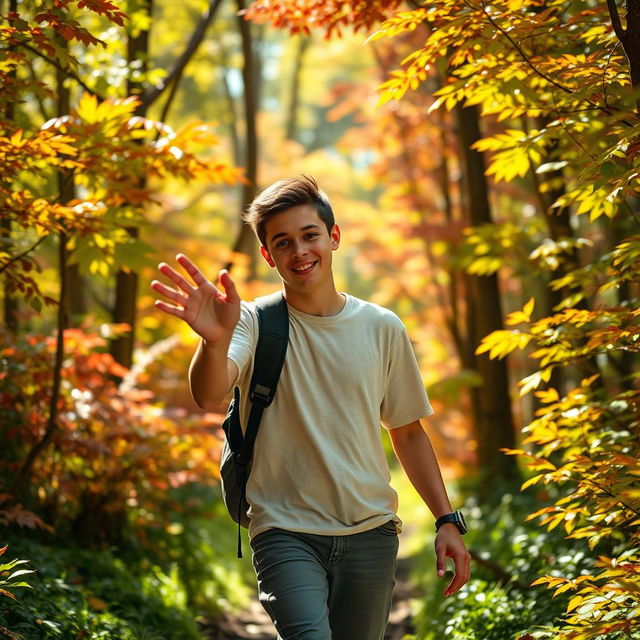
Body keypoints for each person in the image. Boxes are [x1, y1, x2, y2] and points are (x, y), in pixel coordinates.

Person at [151, 176, 470, 640]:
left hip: (371, 533)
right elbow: (208, 392)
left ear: (333, 236)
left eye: (309, 235)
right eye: (283, 242)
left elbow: (408, 432)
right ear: (268, 255)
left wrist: (446, 520)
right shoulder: (251, 321)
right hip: (284, 530)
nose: (299, 251)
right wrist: (213, 342)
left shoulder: (382, 327)